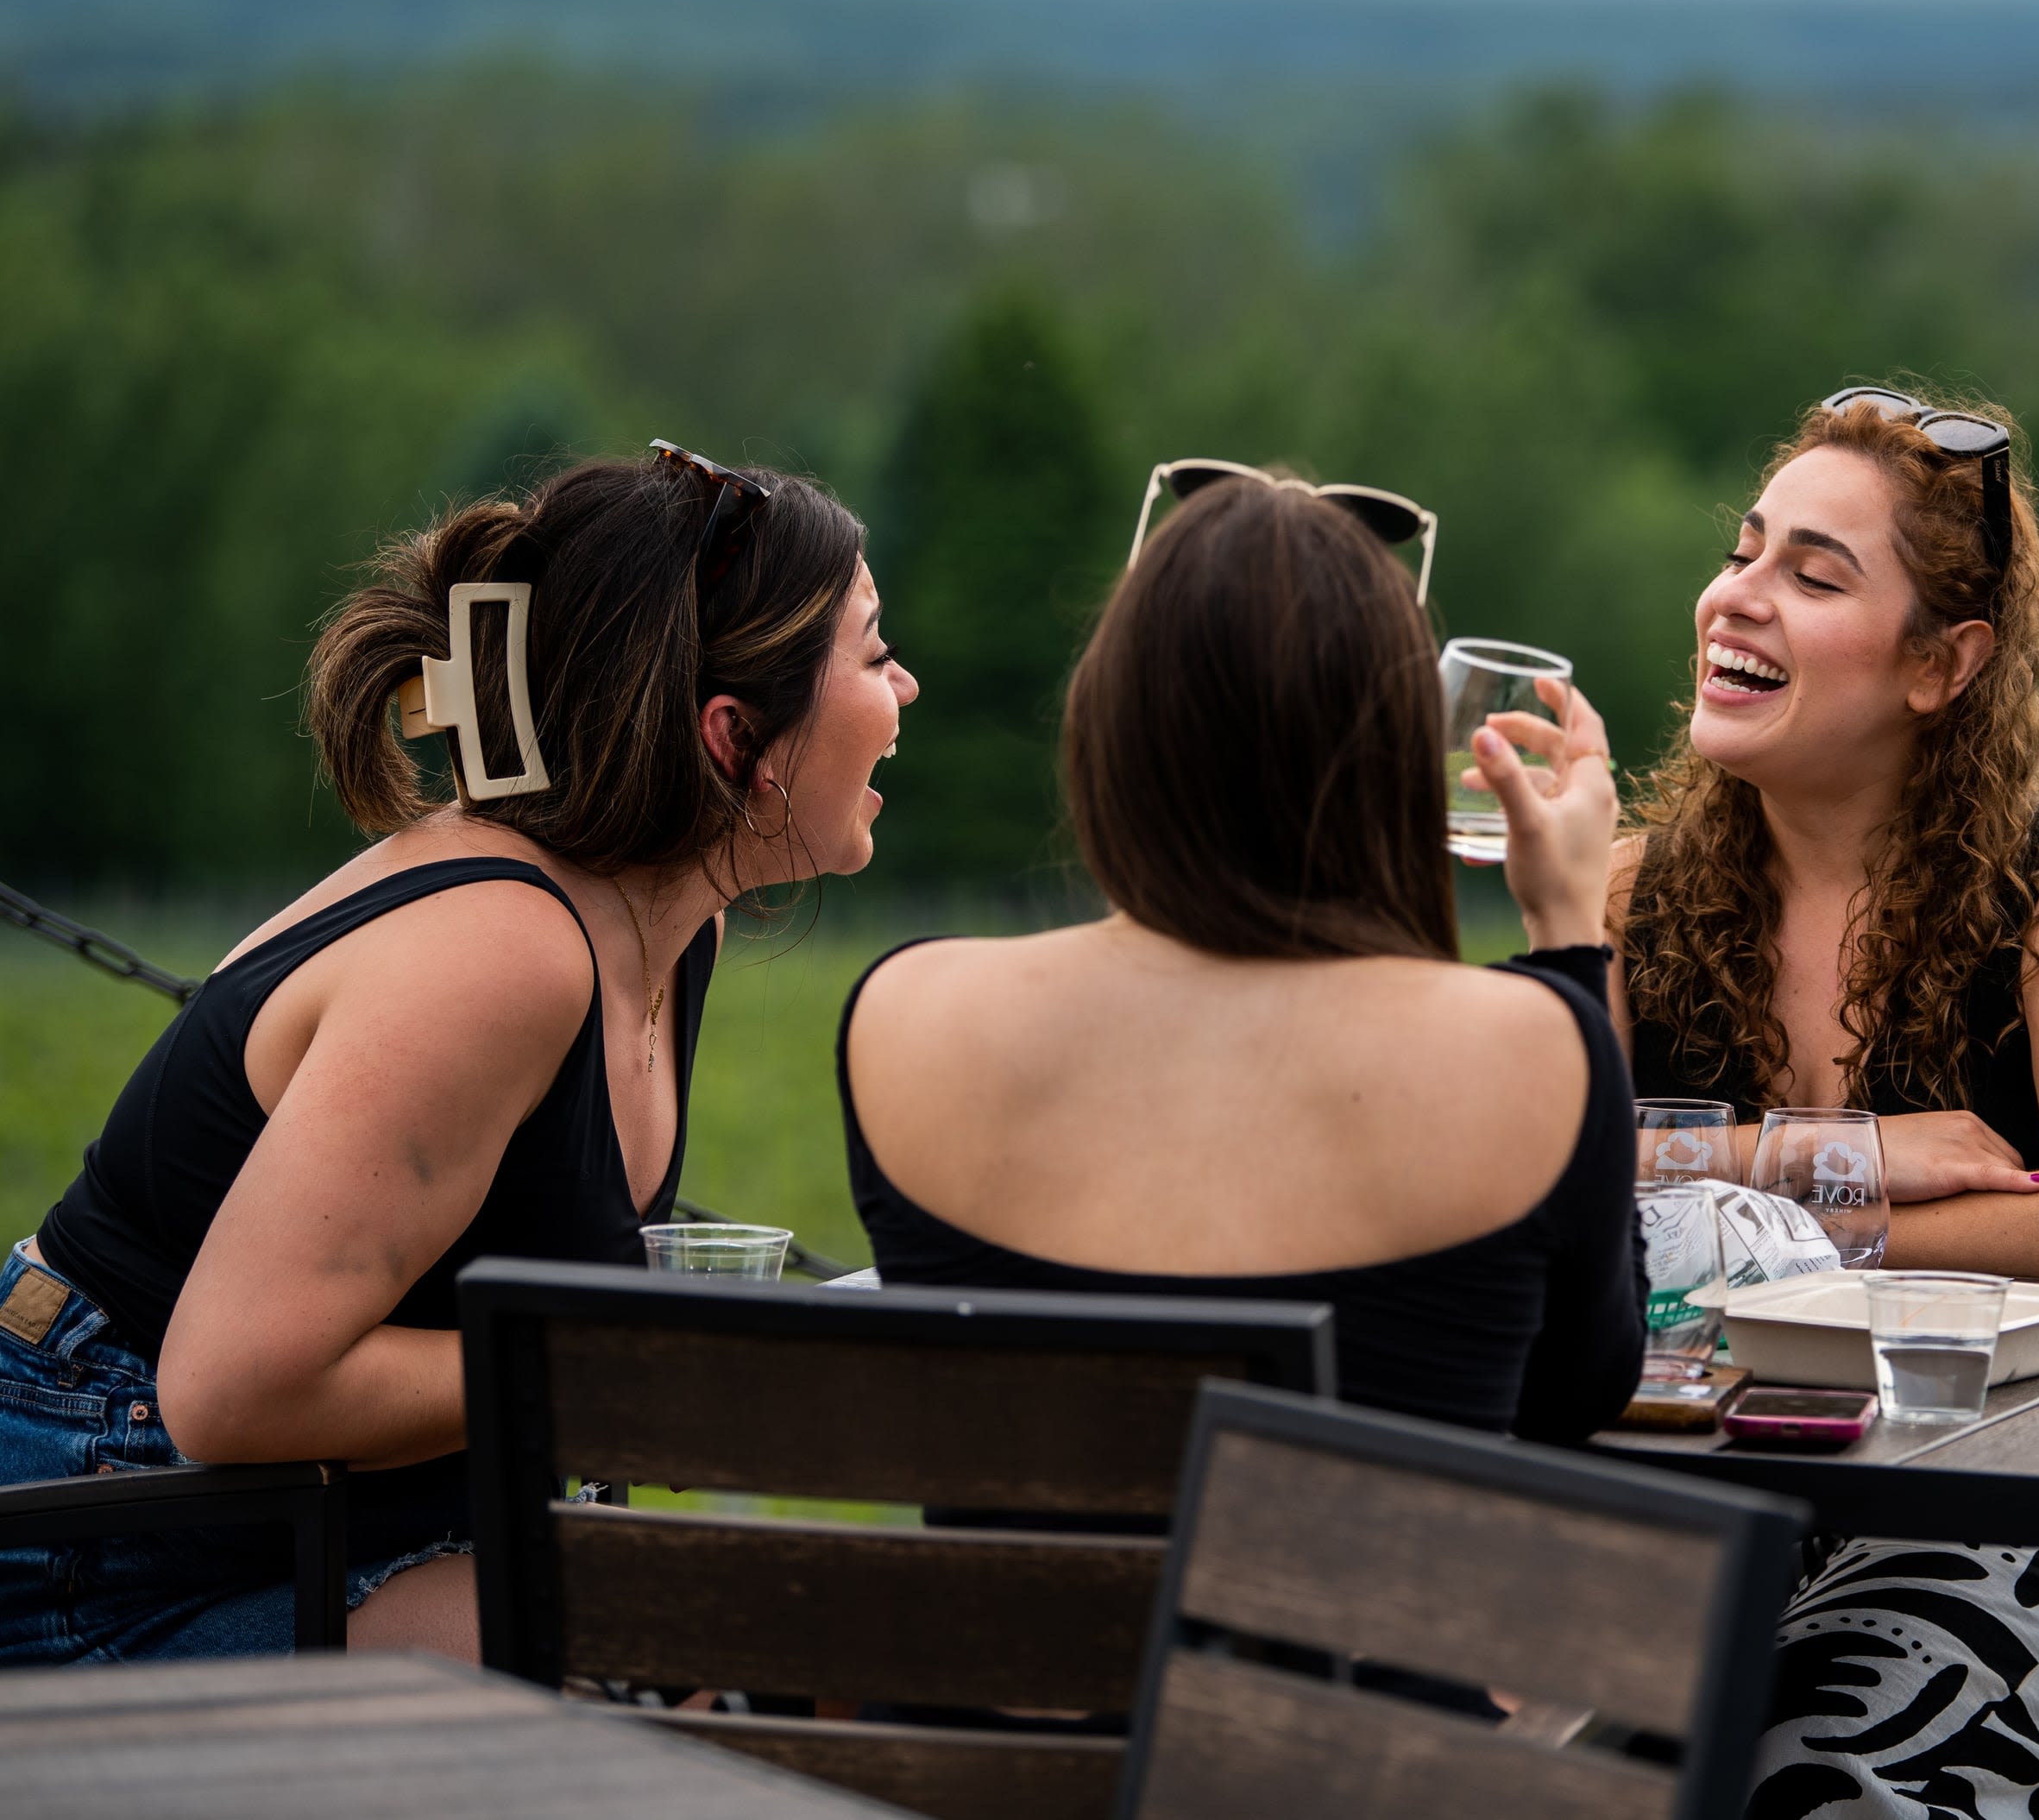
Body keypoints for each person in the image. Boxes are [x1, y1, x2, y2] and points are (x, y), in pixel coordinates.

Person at [0, 445, 911, 1666]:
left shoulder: (656, 924)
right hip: (113, 1524)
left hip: (329, 1515)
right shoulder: (501, 951)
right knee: (780, 1662)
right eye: (872, 647)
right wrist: (626, 1355)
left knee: (826, 1654)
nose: (906, 685)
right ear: (735, 732)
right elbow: (229, 1388)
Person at [1618, 387, 2039, 1817]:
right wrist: (1850, 1163)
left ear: (1943, 666)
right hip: (1707, 1481)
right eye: (1746, 549)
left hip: (2019, 1509)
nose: (1736, 597)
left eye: (1812, 576)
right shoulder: (1639, 891)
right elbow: (1546, 1168)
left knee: (1798, 1763)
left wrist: (1746, 1224)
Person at [840, 464, 1641, 1448]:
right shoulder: (1535, 1051)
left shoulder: (905, 1015)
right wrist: (1567, 932)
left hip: (1007, 1609)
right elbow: (1578, 1395)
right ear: (1392, 750)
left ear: (1112, 722)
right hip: (1351, 1606)